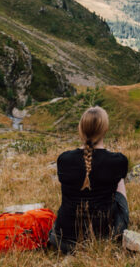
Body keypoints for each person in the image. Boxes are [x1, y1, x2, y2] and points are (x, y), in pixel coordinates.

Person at [48, 106, 130, 254]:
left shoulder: (64, 159)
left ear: (80, 129)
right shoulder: (118, 160)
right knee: (119, 181)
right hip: (103, 238)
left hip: (62, 240)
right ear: (105, 129)